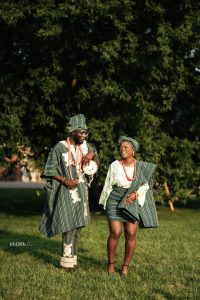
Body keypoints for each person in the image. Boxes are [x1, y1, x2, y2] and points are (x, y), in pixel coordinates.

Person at [39, 114, 100, 272]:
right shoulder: (59, 147)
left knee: (78, 225)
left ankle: (73, 259)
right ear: (73, 132)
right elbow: (49, 170)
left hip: (82, 189)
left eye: (86, 133)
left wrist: (91, 155)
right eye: (81, 133)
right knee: (68, 224)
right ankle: (66, 263)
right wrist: (65, 180)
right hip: (66, 190)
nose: (84, 136)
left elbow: (97, 161)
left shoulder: (86, 147)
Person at [99, 136, 158, 276]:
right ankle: (111, 264)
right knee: (116, 233)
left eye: (126, 147)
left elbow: (146, 185)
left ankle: (125, 266)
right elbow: (108, 184)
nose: (122, 149)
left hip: (132, 199)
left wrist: (136, 195)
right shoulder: (114, 165)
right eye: (121, 147)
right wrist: (105, 202)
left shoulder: (141, 166)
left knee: (131, 234)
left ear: (133, 151)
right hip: (115, 199)